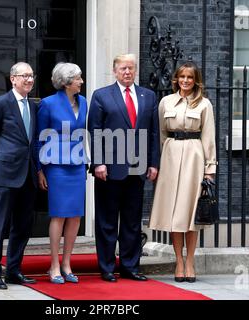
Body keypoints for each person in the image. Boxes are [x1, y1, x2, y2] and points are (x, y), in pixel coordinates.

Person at [88, 54, 159, 282]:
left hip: (137, 170)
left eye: (130, 68)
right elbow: (95, 131)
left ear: (135, 70)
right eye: (122, 68)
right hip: (108, 169)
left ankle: (130, 267)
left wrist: (153, 163)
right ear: (114, 70)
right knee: (107, 221)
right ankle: (107, 267)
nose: (127, 72)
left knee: (131, 221)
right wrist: (98, 162)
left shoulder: (147, 96)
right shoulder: (101, 95)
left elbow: (154, 133)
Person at [149, 62, 217, 283]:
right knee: (174, 213)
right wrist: (157, 164)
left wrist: (210, 170)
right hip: (170, 156)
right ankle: (179, 260)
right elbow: (160, 133)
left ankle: (190, 262)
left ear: (195, 80)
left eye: (189, 77)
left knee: (190, 213)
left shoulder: (204, 104)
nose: (185, 81)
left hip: (194, 157)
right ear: (176, 79)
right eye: (182, 77)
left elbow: (208, 137)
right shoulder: (166, 102)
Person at [0, 62, 38, 290]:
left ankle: (14, 270)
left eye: (32, 76)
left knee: (23, 226)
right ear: (13, 79)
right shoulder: (0, 103)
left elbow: (31, 142)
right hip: (5, 173)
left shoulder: (33, 106)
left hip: (27, 175)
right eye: (25, 76)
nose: (29, 80)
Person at [36, 62, 88, 284]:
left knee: (75, 215)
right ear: (67, 82)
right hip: (55, 165)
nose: (81, 82)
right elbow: (39, 138)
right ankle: (54, 265)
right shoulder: (48, 104)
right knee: (58, 214)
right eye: (78, 78)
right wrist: (40, 170)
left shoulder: (84, 102)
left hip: (77, 165)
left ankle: (67, 263)